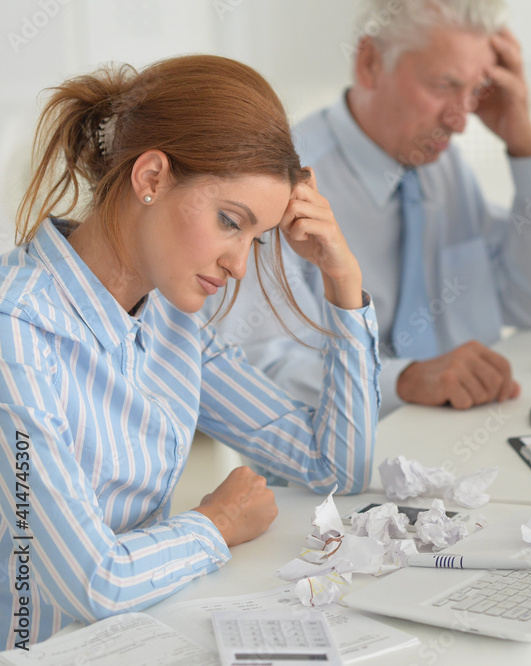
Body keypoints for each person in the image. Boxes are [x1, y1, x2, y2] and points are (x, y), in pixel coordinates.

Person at [0, 55, 380, 648]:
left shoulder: (171, 320)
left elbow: (334, 468)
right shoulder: (15, 334)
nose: (238, 264)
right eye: (231, 221)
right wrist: (216, 524)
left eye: (257, 238)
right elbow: (91, 582)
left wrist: (343, 279)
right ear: (150, 178)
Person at [212, 0, 531, 415]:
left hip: (469, 432)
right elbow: (259, 371)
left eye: (474, 91)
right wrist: (405, 380)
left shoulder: (446, 168)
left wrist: (523, 144)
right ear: (369, 62)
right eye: (443, 85)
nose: (460, 121)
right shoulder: (279, 182)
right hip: (342, 462)